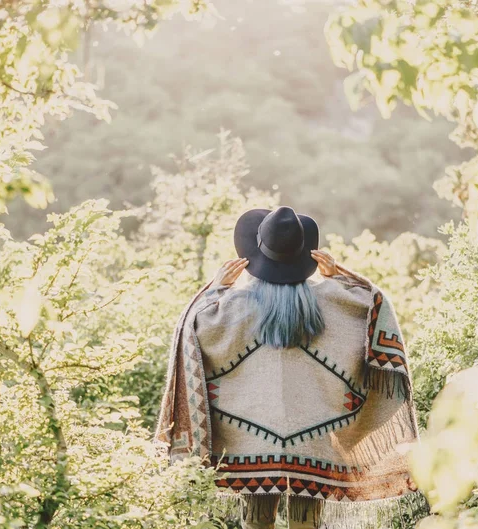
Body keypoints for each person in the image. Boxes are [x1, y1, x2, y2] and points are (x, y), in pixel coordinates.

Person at [156, 207, 428, 529]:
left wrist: (215, 287)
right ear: (304, 254)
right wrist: (341, 277)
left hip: (250, 443)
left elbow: (191, 328)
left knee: (256, 523)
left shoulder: (232, 306)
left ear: (255, 253)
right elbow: (375, 303)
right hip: (313, 440)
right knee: (306, 525)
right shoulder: (333, 301)